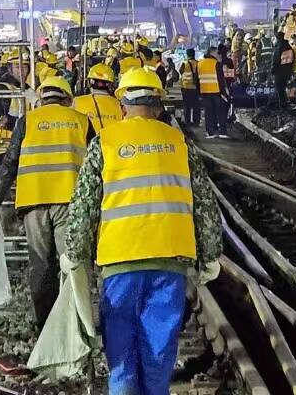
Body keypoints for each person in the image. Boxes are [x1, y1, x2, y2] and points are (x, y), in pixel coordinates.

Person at [64, 67, 222, 395]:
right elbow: (204, 204)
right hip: (169, 262)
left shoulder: (104, 143)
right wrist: (209, 256)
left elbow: (83, 207)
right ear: (160, 106)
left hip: (120, 263)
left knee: (121, 352)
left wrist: (75, 253)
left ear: (122, 104)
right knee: (159, 351)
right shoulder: (179, 143)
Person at [0, 75, 91, 325]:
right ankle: (72, 325)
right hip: (70, 203)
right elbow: (96, 167)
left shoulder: (27, 122)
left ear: (41, 99)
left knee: (40, 265)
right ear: (68, 99)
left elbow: (9, 164)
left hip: (33, 203)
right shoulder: (82, 121)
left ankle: (44, 324)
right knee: (70, 265)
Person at [75, 63, 124, 134]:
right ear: (110, 84)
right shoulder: (120, 104)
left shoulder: (77, 102)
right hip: (113, 143)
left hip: (87, 144)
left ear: (89, 82)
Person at [197, 45, 226, 137]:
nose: (219, 54)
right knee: (220, 112)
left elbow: (196, 80)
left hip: (204, 92)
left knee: (208, 113)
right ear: (212, 53)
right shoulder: (216, 63)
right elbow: (220, 79)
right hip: (216, 92)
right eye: (217, 53)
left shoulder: (199, 63)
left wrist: (199, 92)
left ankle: (210, 131)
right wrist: (224, 93)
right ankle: (222, 131)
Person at [179, 49, 202, 127]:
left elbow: (180, 72)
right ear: (194, 54)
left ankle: (187, 122)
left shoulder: (184, 63)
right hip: (195, 88)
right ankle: (196, 122)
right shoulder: (198, 63)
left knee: (186, 106)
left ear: (187, 54)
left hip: (185, 87)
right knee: (196, 106)